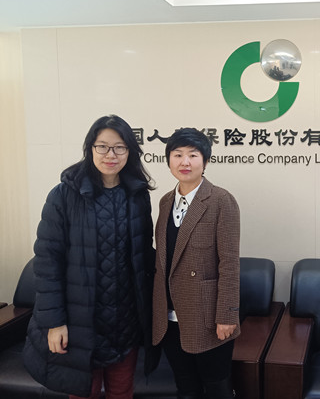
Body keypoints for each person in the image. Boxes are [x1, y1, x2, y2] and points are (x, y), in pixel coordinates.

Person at [23, 115, 157, 399]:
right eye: (102, 146)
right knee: (85, 393)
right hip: (80, 323)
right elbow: (47, 264)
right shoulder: (64, 196)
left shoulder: (137, 195)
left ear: (130, 151)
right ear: (90, 148)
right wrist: (54, 322)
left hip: (126, 322)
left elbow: (143, 256)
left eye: (119, 147)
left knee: (123, 392)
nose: (111, 155)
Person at [152, 127, 240, 399]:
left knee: (217, 388)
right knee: (185, 387)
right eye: (177, 154)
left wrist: (227, 315)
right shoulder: (166, 202)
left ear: (206, 161)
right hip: (169, 317)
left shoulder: (221, 200)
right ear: (168, 160)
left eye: (193, 155)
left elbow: (229, 264)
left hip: (208, 317)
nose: (185, 162)